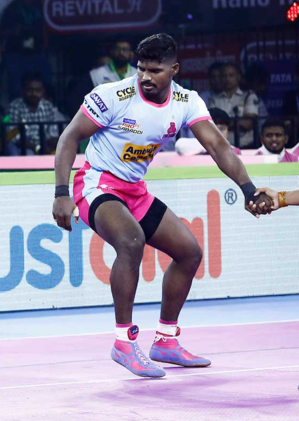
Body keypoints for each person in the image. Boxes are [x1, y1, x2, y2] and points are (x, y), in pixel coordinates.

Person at [52, 33, 267, 379]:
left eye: (155, 70)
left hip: (134, 191)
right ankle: (123, 343)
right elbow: (69, 137)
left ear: (174, 69)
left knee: (189, 252)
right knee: (131, 240)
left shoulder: (186, 101)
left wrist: (249, 189)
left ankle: (165, 340)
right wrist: (61, 192)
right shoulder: (114, 95)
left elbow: (218, 146)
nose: (145, 77)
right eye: (141, 69)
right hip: (96, 184)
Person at [205, 63, 263, 148]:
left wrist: (224, 124)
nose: (227, 79)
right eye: (224, 76)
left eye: (231, 75)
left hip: (246, 146)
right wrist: (236, 123)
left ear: (238, 77)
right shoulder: (214, 98)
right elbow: (213, 124)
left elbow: (248, 123)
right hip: (222, 146)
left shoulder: (248, 96)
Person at [6, 74, 65, 155]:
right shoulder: (15, 106)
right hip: (23, 147)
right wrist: (36, 148)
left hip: (44, 145)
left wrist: (50, 146)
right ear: (23, 91)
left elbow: (52, 133)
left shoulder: (47, 106)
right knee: (29, 153)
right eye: (30, 90)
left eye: (38, 90)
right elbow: (13, 137)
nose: (34, 93)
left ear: (43, 91)